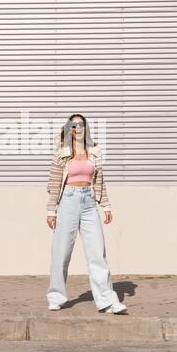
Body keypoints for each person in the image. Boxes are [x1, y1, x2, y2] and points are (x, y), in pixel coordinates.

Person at [46, 113, 128, 314]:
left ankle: (108, 301)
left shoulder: (94, 151)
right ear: (69, 130)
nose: (77, 128)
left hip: (89, 203)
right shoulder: (61, 152)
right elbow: (54, 183)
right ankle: (56, 297)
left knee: (97, 253)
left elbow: (99, 181)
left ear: (85, 127)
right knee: (61, 252)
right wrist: (51, 210)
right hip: (68, 202)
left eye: (80, 124)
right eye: (73, 126)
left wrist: (106, 206)